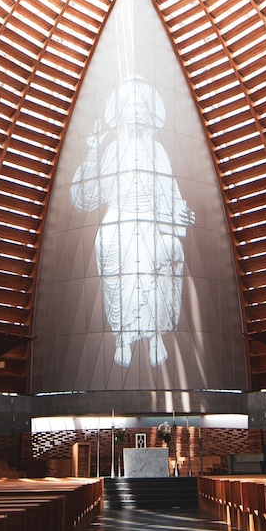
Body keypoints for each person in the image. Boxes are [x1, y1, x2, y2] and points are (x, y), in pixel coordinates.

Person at [68, 76, 194, 367]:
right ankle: (122, 337)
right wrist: (92, 152)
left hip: (150, 220)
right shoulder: (110, 150)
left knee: (167, 249)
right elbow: (88, 197)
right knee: (108, 242)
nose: (136, 109)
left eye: (141, 104)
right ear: (121, 111)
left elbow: (172, 197)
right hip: (118, 217)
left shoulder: (159, 151)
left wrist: (182, 214)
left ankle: (154, 336)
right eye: (131, 105)